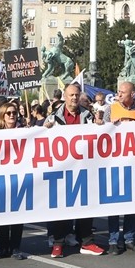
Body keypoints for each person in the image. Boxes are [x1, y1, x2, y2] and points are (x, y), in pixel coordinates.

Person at [44, 84, 106, 258]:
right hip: (61, 169)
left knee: (86, 205)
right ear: (64, 96)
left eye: (76, 95)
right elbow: (41, 137)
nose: (74, 98)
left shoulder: (87, 115)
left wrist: (100, 125)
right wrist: (43, 129)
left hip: (83, 168)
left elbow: (100, 134)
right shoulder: (54, 117)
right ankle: (58, 243)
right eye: (71, 95)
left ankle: (86, 241)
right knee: (61, 207)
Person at [106, 81, 135, 254]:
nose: (119, 94)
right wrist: (107, 125)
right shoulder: (111, 109)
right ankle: (113, 240)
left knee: (131, 203)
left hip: (134, 163)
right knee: (114, 203)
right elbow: (99, 129)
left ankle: (129, 238)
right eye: (118, 91)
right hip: (114, 163)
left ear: (132, 94)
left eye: (123, 92)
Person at [0, 102, 27, 259]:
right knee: (2, 216)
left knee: (17, 216)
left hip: (19, 179)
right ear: (2, 116)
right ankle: (3, 247)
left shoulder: (24, 132)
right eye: (8, 113)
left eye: (14, 113)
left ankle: (15, 247)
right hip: (1, 178)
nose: (12, 115)